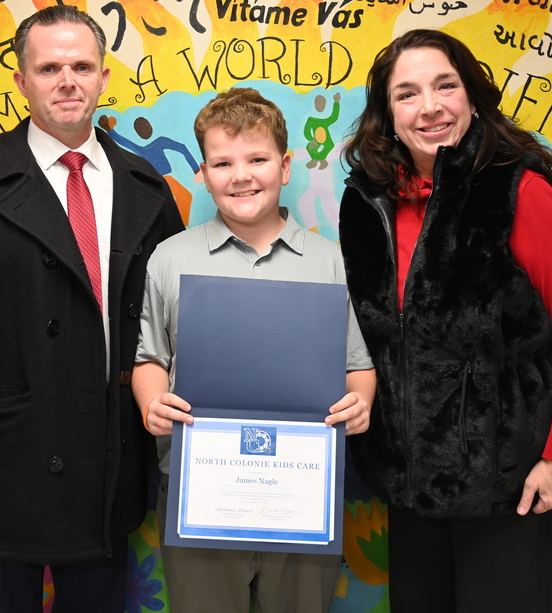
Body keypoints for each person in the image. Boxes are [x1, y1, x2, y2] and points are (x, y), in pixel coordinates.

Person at [0, 5, 183, 613]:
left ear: (104, 76)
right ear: (22, 80)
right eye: (49, 67)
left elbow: (173, 322)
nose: (67, 81)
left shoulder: (145, 188)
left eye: (81, 65)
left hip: (109, 456)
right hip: (5, 461)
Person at [337, 30, 552, 613]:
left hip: (509, 481)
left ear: (473, 96)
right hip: (411, 482)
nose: (428, 106)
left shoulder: (519, 191)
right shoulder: (369, 201)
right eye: (407, 93)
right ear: (389, 115)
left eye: (444, 86)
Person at [132, 87, 375, 613]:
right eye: (223, 162)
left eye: (257, 159)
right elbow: (149, 355)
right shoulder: (170, 259)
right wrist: (152, 401)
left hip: (303, 496)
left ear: (285, 167)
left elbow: (357, 364)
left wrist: (361, 402)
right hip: (199, 491)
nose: (241, 175)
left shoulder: (330, 261)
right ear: (203, 173)